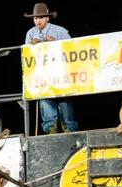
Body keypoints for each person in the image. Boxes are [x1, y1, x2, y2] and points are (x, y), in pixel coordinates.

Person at [24, 3, 78, 134]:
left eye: (41, 17)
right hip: (43, 75)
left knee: (64, 101)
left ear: (47, 18)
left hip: (61, 72)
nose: (38, 21)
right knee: (45, 101)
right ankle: (51, 130)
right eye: (35, 18)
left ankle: (68, 130)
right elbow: (26, 57)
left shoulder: (60, 31)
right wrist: (31, 47)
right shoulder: (30, 34)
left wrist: (57, 43)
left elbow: (73, 49)